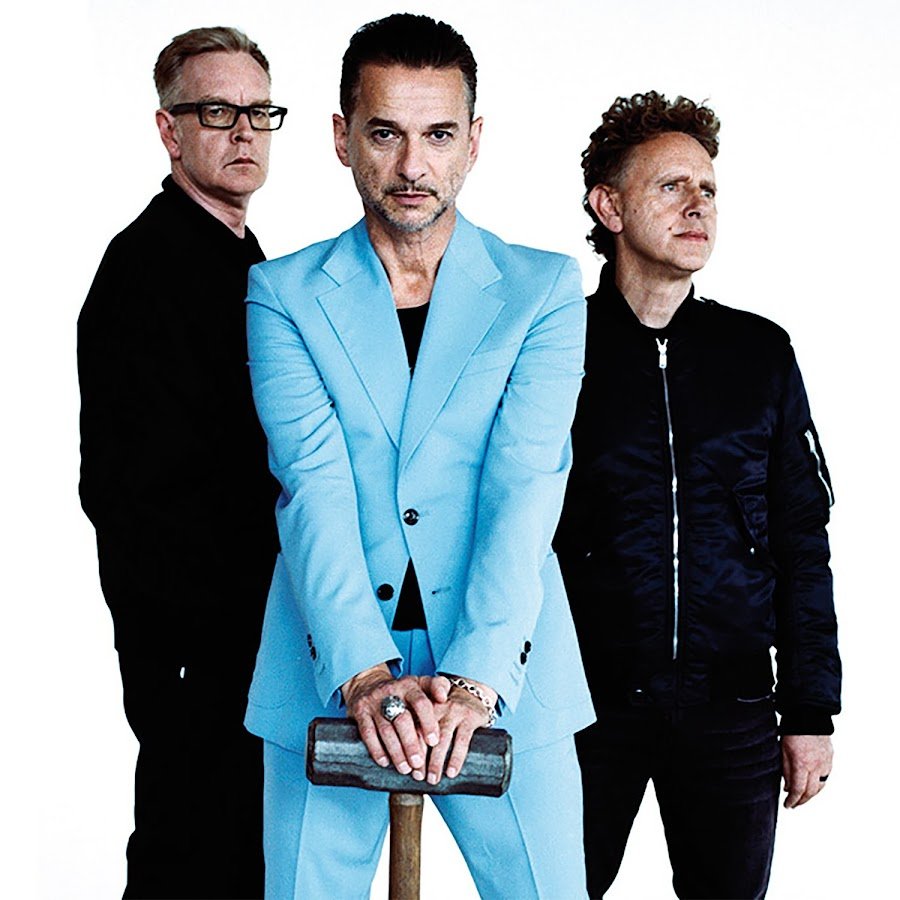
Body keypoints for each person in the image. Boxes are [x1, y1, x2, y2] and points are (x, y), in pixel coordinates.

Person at [243, 13, 595, 899]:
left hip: (503, 653)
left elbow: (525, 487)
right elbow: (312, 487)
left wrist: (476, 680)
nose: (412, 165)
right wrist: (362, 674)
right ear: (341, 138)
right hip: (330, 658)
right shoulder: (282, 294)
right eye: (385, 133)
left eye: (438, 134)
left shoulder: (544, 289)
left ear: (473, 142)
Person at [555, 91, 841, 899]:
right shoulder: (555, 347)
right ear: (609, 207)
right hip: (585, 707)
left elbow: (801, 538)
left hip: (732, 709)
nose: (698, 205)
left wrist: (810, 712)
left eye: (708, 188)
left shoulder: (759, 353)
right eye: (671, 186)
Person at [77, 26, 287, 899]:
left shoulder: (238, 254)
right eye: (216, 112)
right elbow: (127, 489)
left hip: (247, 633)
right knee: (191, 852)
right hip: (196, 645)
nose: (243, 132)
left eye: (259, 112)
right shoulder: (147, 265)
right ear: (170, 130)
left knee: (242, 855)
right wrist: (188, 649)